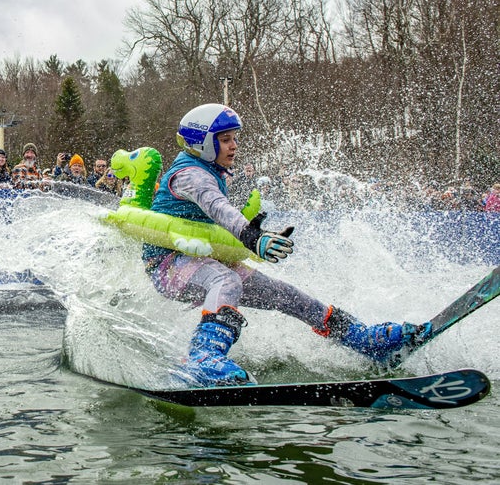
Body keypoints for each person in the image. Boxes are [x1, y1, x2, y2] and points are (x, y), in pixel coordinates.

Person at [142, 103, 431, 387]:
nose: (234, 146)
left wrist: (256, 234)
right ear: (202, 143)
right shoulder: (192, 176)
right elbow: (218, 208)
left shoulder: (211, 170)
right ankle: (204, 357)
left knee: (284, 294)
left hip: (203, 260)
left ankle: (360, 338)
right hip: (168, 266)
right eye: (225, 139)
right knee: (226, 280)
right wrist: (253, 237)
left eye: (235, 138)